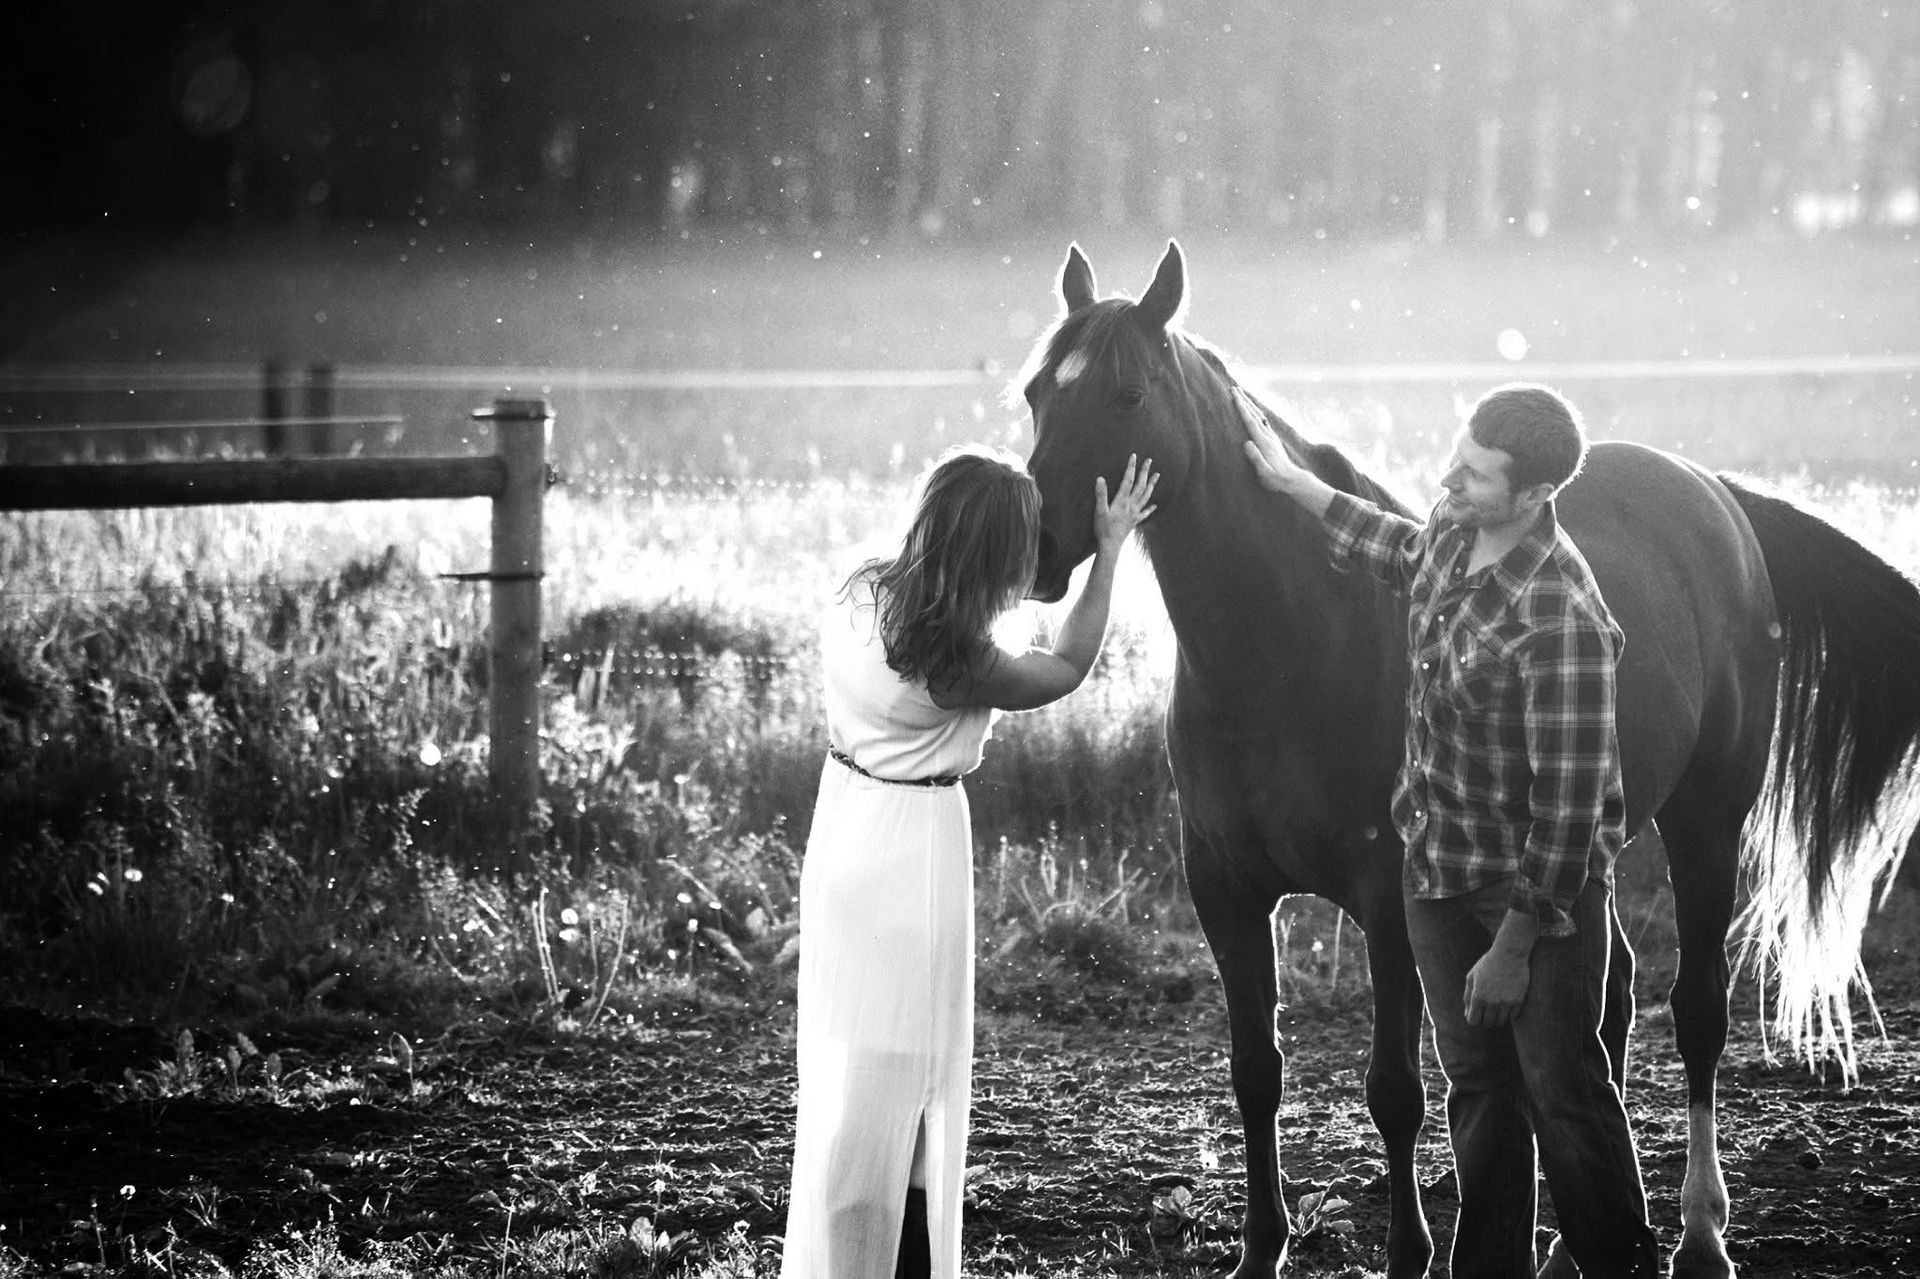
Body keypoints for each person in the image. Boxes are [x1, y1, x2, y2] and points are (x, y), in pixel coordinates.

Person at [1236, 383, 1659, 1278]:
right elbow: (1396, 550)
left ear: (1536, 494)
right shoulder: (1455, 534)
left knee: (1565, 1094)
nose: (1447, 479)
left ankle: (1623, 1263)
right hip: (1435, 873)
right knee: (1479, 1094)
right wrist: (1294, 485)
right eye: (1455, 458)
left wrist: (1512, 945)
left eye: (1472, 474)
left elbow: (1572, 811)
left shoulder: (1560, 615)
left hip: (1533, 899)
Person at [779, 444, 1158, 1279]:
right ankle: (886, 1257)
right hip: (911, 852)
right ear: (996, 557)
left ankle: (852, 1245)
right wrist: (1111, 548)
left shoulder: (860, 592)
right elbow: (1066, 664)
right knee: (908, 1079)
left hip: (843, 823)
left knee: (854, 1060)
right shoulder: (959, 665)